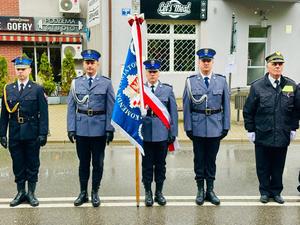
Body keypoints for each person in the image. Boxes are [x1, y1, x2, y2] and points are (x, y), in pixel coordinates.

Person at [243, 51, 298, 204]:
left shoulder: (291, 85)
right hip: (263, 133)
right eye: (274, 64)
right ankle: (264, 192)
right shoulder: (257, 86)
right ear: (268, 66)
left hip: (282, 132)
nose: (278, 66)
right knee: (263, 165)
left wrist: (293, 128)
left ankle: (276, 191)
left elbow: (296, 110)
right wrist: (250, 130)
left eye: (280, 64)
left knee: (278, 165)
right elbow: (249, 110)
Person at [67, 49, 115, 207]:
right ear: (83, 64)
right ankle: (83, 193)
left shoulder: (106, 83)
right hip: (81, 128)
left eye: (92, 63)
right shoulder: (76, 83)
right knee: (83, 163)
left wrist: (109, 129)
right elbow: (71, 107)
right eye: (87, 63)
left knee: (98, 163)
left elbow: (110, 108)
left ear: (97, 64)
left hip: (99, 129)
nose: (89, 66)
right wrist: (71, 128)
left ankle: (95, 192)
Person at [183, 48, 230, 206]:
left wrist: (226, 126)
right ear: (199, 62)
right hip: (197, 127)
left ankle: (210, 189)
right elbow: (187, 105)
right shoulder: (191, 81)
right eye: (203, 61)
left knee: (211, 160)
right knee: (199, 160)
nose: (206, 64)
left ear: (212, 62)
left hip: (215, 127)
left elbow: (226, 106)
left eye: (208, 61)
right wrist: (188, 127)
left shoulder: (221, 81)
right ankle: (200, 190)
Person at [0, 56, 48, 207]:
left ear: (30, 70)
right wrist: (2, 133)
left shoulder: (37, 89)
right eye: (18, 69)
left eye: (23, 69)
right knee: (18, 164)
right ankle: (21, 192)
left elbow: (44, 113)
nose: (20, 72)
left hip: (32, 133)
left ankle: (32, 193)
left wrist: (43, 133)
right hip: (14, 133)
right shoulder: (9, 89)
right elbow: (4, 114)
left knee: (33, 163)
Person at [141, 59, 178, 207]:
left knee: (161, 165)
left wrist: (173, 132)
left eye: (154, 72)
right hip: (145, 134)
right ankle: (148, 192)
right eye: (149, 72)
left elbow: (173, 113)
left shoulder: (167, 90)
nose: (152, 74)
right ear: (146, 73)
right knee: (147, 165)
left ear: (158, 73)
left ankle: (159, 192)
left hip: (162, 134)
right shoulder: (140, 90)